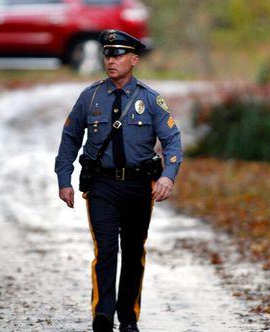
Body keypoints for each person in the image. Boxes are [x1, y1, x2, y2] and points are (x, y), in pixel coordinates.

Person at [54, 29, 182, 332]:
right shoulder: (90, 97)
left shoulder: (150, 100)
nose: (112, 60)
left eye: (119, 54)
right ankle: (102, 314)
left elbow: (173, 142)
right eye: (108, 54)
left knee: (134, 251)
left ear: (134, 59)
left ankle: (128, 317)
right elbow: (69, 139)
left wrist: (168, 176)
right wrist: (64, 179)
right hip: (102, 187)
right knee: (106, 249)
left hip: (139, 187)